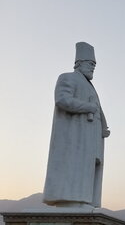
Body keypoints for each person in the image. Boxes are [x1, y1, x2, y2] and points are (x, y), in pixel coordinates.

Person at [43, 42, 110, 208]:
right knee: (73, 167)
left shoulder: (90, 87)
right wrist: (86, 107)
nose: (93, 67)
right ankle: (71, 200)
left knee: (88, 169)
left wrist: (102, 128)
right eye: (90, 64)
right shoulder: (68, 77)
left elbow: (97, 110)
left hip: (91, 139)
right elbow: (62, 100)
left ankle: (85, 200)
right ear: (79, 63)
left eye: (95, 65)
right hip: (74, 136)